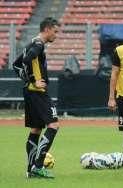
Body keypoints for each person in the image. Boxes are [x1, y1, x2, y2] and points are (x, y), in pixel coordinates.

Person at [13, 17, 60, 179]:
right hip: (37, 92)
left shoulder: (33, 43)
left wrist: (27, 81)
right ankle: (38, 166)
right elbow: (27, 60)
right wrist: (34, 80)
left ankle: (30, 169)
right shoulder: (39, 44)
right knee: (53, 125)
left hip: (30, 91)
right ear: (47, 29)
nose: (56, 35)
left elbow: (15, 64)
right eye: (55, 31)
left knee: (36, 129)